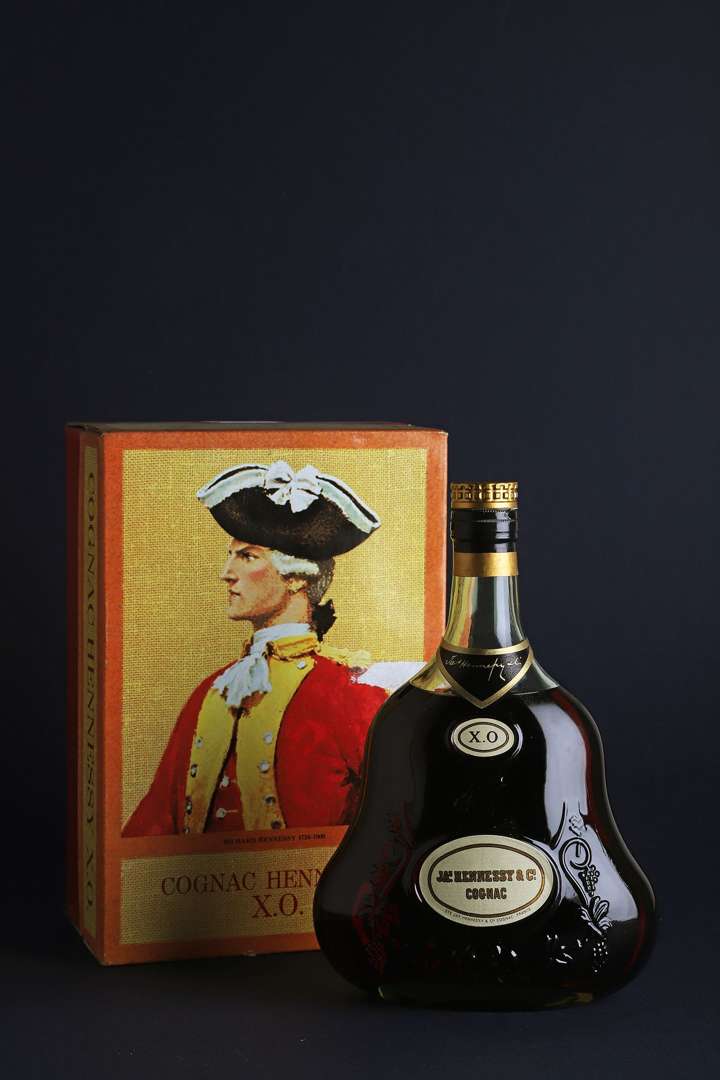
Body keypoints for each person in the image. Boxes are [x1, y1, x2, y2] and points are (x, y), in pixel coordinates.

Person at [123, 459, 391, 836]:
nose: (226, 573)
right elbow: (152, 829)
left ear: (296, 578)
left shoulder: (350, 696)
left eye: (247, 556)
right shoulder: (212, 693)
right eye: (230, 555)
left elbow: (393, 823)